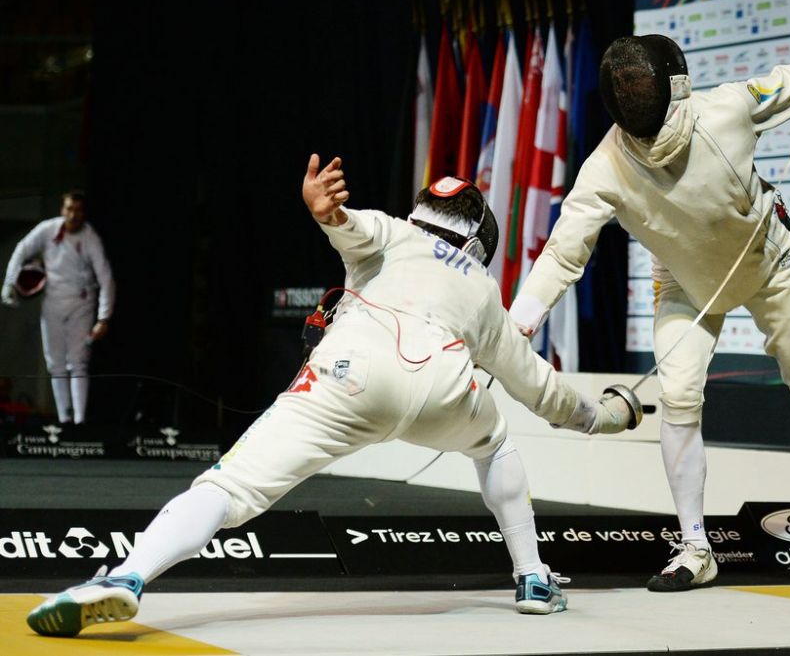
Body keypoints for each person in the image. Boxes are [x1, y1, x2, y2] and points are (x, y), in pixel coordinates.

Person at [26, 156, 641, 638]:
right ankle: (532, 579)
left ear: (423, 212)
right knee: (497, 441)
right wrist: (608, 416)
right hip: (446, 392)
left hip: (351, 376)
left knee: (228, 488)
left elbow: (355, 228)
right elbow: (542, 390)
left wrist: (327, 213)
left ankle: (130, 576)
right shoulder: (483, 289)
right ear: (479, 234)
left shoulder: (395, 233)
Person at [509, 35, 790, 591]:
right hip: (684, 287)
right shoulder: (605, 169)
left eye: (640, 84)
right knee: (679, 397)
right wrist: (517, 323)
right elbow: (563, 253)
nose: (635, 95)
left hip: (768, 266)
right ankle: (696, 548)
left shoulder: (727, 108)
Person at [2, 190, 114, 426]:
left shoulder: (90, 238)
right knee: (55, 364)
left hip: (81, 304)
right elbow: (21, 250)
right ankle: (64, 420)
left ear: (83, 213)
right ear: (62, 210)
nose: (73, 215)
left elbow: (106, 278)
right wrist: (9, 283)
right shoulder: (48, 229)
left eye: (78, 210)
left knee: (78, 362)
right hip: (52, 302)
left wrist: (104, 317)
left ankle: (80, 421)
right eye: (69, 209)